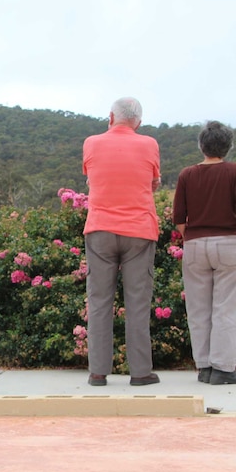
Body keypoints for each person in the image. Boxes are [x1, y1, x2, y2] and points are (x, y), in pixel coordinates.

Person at [83, 97, 162, 387]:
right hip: (139, 230)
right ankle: (141, 373)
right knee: (138, 302)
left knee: (99, 301)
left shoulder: (91, 143)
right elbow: (153, 182)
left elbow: (92, 180)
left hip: (100, 229)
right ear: (138, 122)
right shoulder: (150, 144)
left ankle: (98, 373)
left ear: (110, 117)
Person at [172, 120, 236, 385]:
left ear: (201, 146)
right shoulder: (235, 171)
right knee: (226, 307)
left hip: (195, 245)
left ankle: (204, 366)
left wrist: (192, 238)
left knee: (198, 309)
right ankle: (223, 368)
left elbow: (179, 218)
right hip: (230, 244)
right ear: (228, 147)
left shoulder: (187, 174)